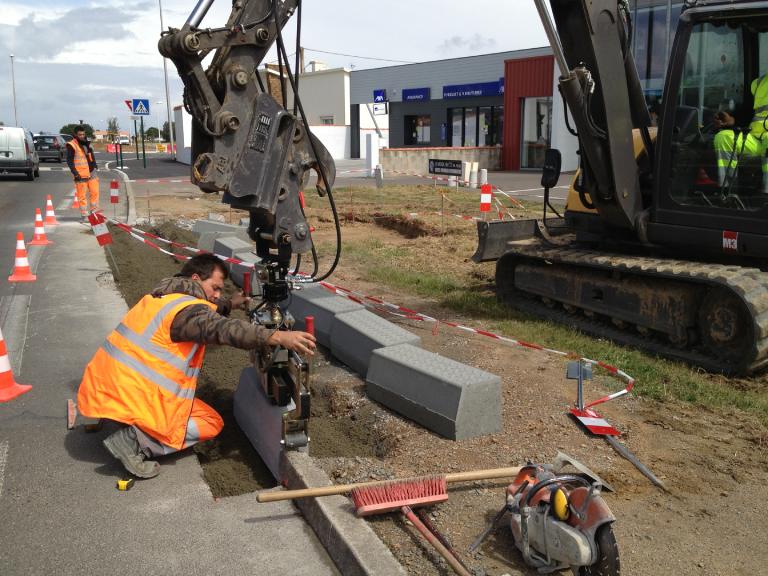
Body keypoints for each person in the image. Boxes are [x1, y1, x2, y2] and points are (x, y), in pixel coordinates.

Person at [76, 253, 316, 479]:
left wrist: (229, 304)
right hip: (138, 393)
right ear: (195, 279)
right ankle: (136, 442)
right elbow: (220, 328)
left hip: (103, 387)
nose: (217, 295)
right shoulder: (188, 312)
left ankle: (110, 416)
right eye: (215, 287)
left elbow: (204, 312)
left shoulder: (164, 297)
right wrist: (276, 337)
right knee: (210, 422)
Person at [712, 74, 768, 190]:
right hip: (756, 139)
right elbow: (749, 111)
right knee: (723, 137)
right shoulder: (759, 83)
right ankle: (728, 191)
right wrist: (733, 120)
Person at [66, 126, 100, 221]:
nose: (82, 136)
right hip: (80, 174)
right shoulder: (72, 145)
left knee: (95, 193)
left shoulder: (87, 143)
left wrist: (95, 164)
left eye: (83, 134)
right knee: (82, 196)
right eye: (80, 134)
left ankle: (94, 213)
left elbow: (90, 155)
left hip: (92, 171)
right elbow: (69, 161)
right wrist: (75, 173)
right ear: (76, 135)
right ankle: (84, 215)